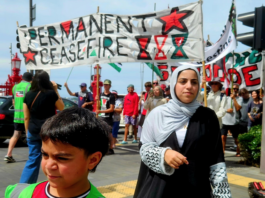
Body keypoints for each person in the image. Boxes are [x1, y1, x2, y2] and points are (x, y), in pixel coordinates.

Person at [134, 66, 231, 198]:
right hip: (160, 189)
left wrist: (222, 194)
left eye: (194, 82)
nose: (189, 86)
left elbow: (216, 159)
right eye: (183, 81)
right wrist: (163, 154)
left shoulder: (208, 116)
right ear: (174, 84)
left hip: (196, 190)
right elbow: (144, 148)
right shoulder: (157, 114)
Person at [5, 107, 109, 198]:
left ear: (93, 160)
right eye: (45, 155)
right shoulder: (21, 194)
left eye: (62, 158)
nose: (49, 166)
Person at [20, 71, 64, 184]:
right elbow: (62, 107)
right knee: (53, 159)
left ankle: (24, 186)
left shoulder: (28, 95)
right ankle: (55, 184)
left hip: (33, 131)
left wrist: (27, 132)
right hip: (49, 131)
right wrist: (55, 89)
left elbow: (26, 117)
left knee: (33, 159)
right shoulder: (51, 93)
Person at [4, 72, 32, 163]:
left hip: (17, 116)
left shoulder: (15, 87)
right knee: (31, 135)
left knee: (15, 135)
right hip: (27, 116)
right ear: (30, 79)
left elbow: (13, 102)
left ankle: (8, 155)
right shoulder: (30, 87)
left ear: (22, 78)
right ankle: (33, 156)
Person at [221, 84, 242, 156]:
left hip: (234, 122)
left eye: (237, 89)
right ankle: (222, 151)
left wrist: (234, 99)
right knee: (223, 137)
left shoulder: (240, 99)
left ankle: (238, 151)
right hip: (225, 120)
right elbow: (221, 108)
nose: (235, 90)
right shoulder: (225, 98)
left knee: (236, 138)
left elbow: (238, 108)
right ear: (231, 90)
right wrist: (227, 110)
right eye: (234, 89)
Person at [95, 79, 115, 154]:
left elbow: (111, 109)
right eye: (104, 84)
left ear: (110, 86)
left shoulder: (111, 96)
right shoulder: (100, 94)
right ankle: (102, 147)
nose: (105, 86)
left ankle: (111, 147)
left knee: (109, 132)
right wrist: (97, 100)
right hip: (101, 116)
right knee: (101, 132)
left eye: (107, 84)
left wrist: (101, 111)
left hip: (108, 117)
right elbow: (99, 106)